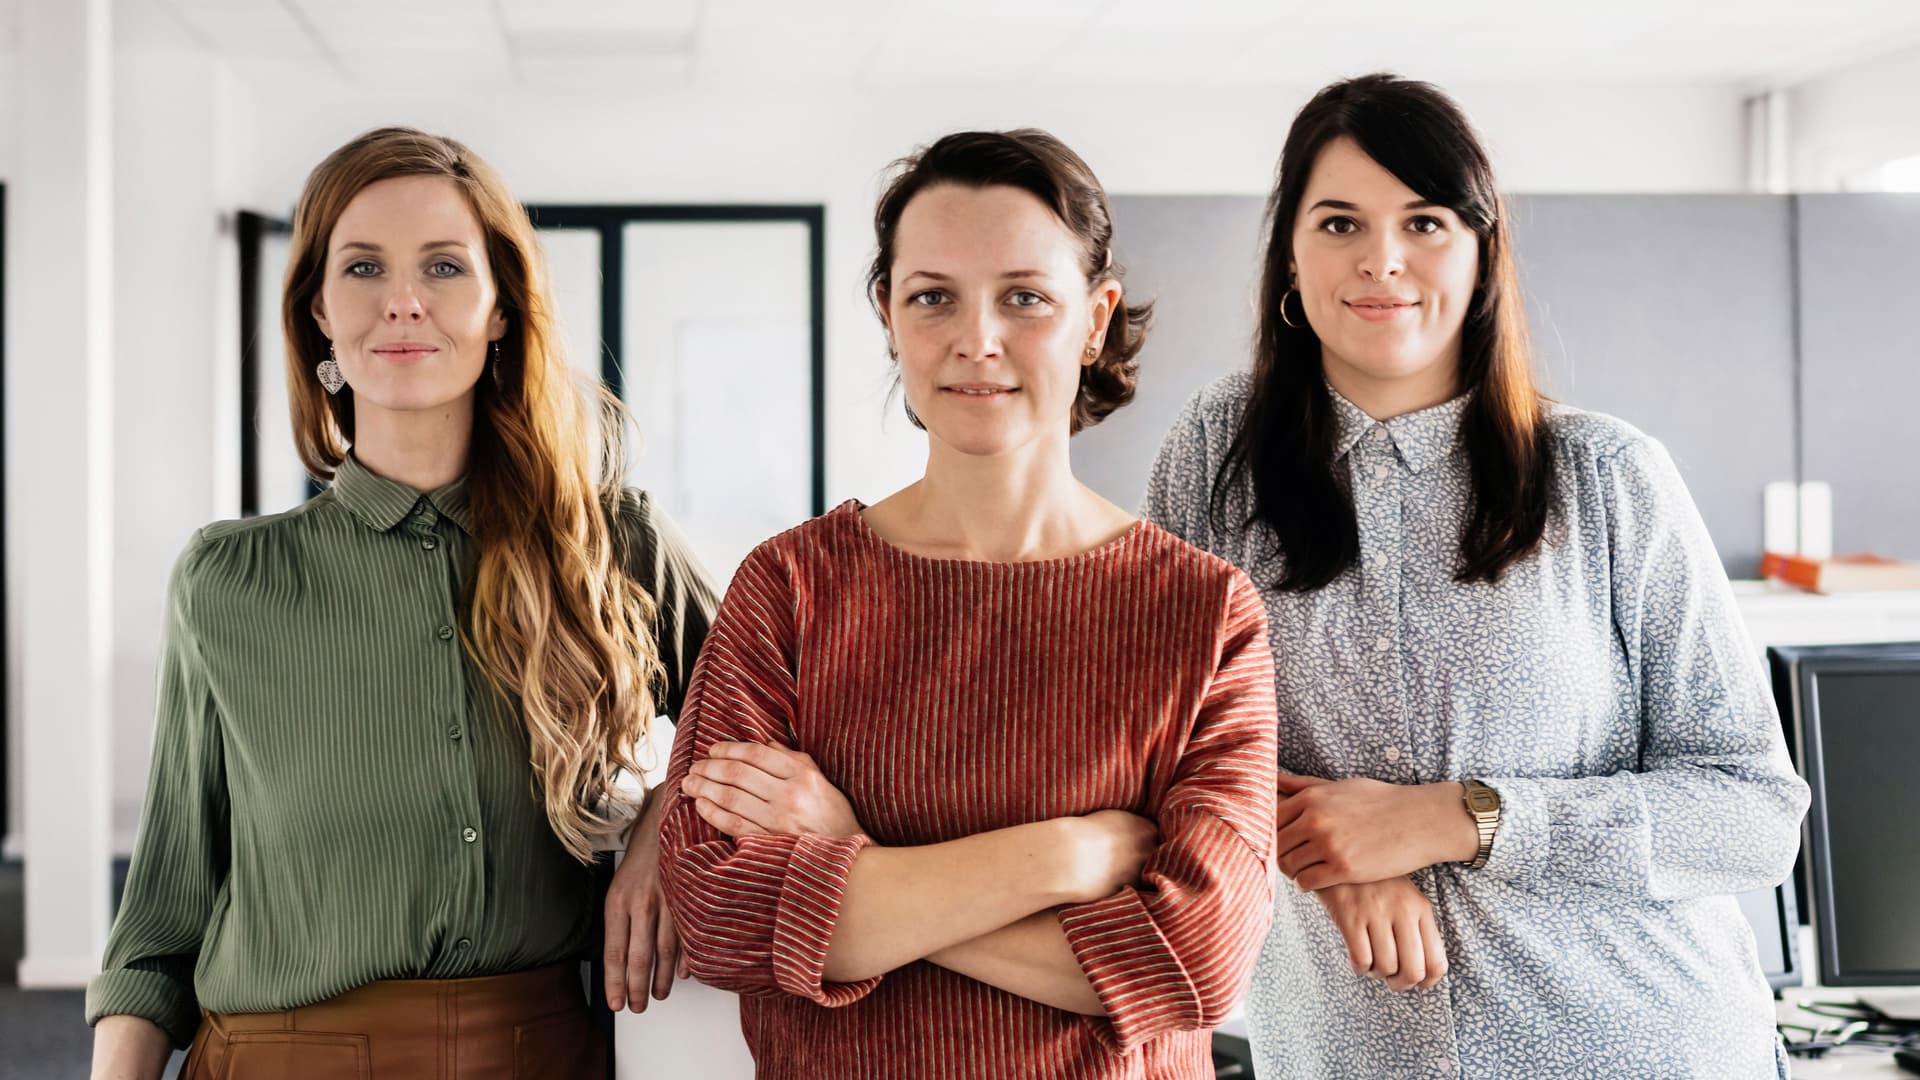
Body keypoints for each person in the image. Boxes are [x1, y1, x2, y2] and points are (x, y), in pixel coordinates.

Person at [1142, 74, 1811, 1078]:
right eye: (1339, 223)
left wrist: (1456, 818)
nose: (1382, 260)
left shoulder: (1607, 477)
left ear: (1482, 250)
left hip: (1640, 1042)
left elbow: (1752, 815)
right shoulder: (1213, 460)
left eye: (1425, 220)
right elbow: (1149, 742)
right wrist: (1323, 853)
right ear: (1290, 250)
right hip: (1352, 1055)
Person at [86, 127, 716, 1080]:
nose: (403, 301)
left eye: (445, 266)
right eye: (365, 266)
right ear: (319, 312)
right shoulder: (227, 583)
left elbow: (777, 705)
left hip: (544, 1054)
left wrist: (670, 821)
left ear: (502, 308)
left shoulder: (614, 543)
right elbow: (162, 917)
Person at [655, 129, 1280, 1079]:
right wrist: (1063, 859)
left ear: (1097, 316)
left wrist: (845, 855)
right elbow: (720, 914)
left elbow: (1198, 961)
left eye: (1024, 298)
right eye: (933, 296)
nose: (974, 340)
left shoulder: (1204, 612)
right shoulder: (788, 588)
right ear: (888, 315)